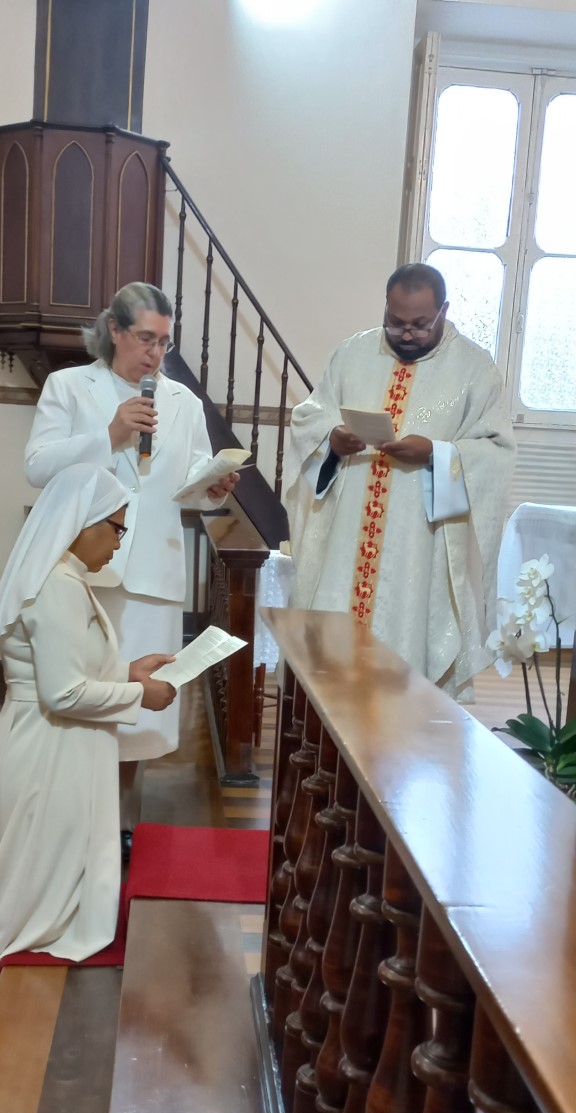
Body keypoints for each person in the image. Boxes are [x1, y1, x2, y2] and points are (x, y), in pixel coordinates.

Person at [24, 281, 238, 843]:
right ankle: (69, 822)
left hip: (153, 571)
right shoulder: (70, 386)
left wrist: (211, 488)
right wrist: (110, 434)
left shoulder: (183, 401)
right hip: (85, 564)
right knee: (84, 691)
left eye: (164, 342)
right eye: (145, 338)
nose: (155, 352)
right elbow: (38, 466)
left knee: (139, 707)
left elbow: (186, 485)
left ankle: (121, 826)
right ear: (114, 330)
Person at [284, 263, 516, 700]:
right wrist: (332, 438)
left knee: (403, 659)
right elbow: (310, 418)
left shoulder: (474, 369)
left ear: (444, 311)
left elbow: (496, 452)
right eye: (395, 322)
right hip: (345, 538)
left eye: (420, 324)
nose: (406, 334)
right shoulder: (352, 354)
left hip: (419, 546)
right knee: (332, 670)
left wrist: (435, 453)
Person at [0, 465, 176, 961]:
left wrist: (128, 671)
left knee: (47, 863)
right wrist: (139, 695)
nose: (119, 543)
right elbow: (62, 693)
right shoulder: (57, 584)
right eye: (116, 529)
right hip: (49, 748)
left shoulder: (61, 577)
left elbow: (65, 667)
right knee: (39, 874)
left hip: (53, 740)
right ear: (82, 520)